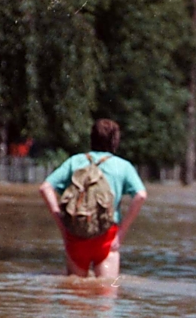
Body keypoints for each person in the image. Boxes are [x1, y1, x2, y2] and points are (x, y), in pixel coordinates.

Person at [39, 119, 147, 279]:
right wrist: (122, 232)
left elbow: (45, 187)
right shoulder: (122, 166)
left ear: (92, 138)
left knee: (75, 297)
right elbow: (141, 195)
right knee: (106, 296)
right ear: (115, 141)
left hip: (76, 233)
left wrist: (62, 225)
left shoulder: (75, 161)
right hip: (107, 235)